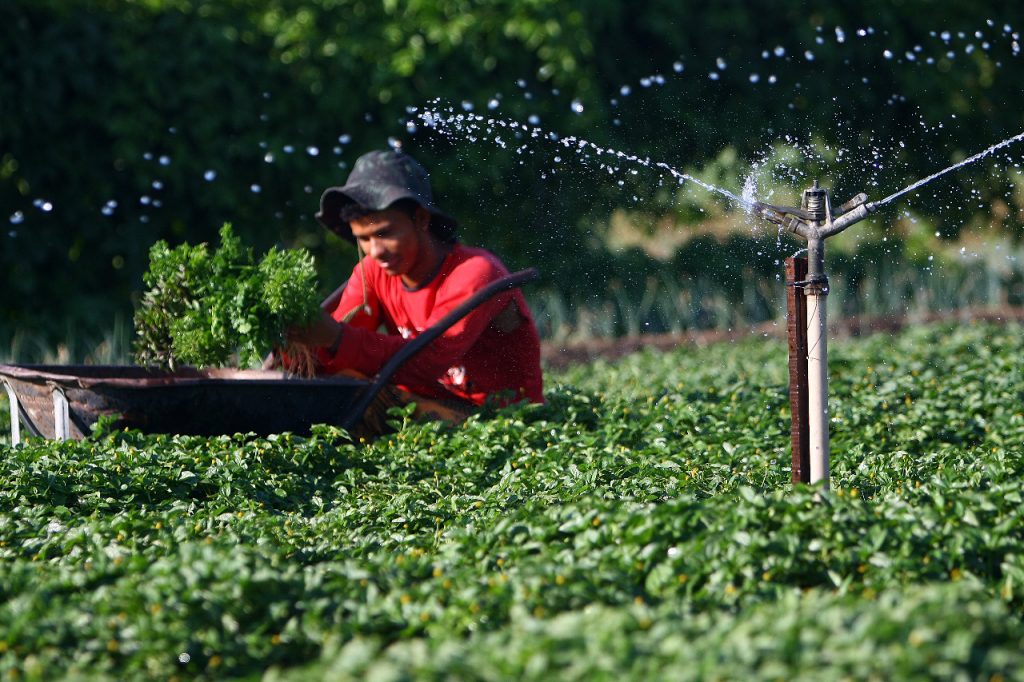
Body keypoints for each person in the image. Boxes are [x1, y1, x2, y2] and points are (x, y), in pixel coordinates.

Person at [287, 149, 544, 434]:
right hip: (423, 402)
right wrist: (294, 339)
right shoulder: (372, 270)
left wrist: (334, 336)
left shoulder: (476, 273)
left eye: (385, 233)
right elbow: (332, 354)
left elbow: (427, 361)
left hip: (500, 420)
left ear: (421, 220)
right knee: (339, 381)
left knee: (359, 397)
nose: (375, 251)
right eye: (363, 239)